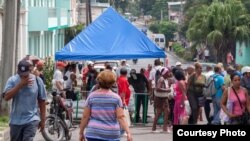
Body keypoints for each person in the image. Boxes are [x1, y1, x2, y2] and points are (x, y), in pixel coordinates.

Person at [79, 71, 132, 141]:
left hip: (94, 133)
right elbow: (121, 117)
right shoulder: (116, 98)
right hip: (111, 134)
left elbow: (85, 116)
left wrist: (81, 132)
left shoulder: (91, 96)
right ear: (113, 82)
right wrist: (128, 132)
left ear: (98, 81)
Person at [2, 60, 47, 141]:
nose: (23, 77)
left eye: (25, 74)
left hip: (31, 119)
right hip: (15, 121)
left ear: (30, 71)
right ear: (18, 71)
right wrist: (20, 85)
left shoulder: (37, 80)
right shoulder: (12, 80)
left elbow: (42, 101)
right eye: (21, 74)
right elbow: (6, 97)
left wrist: (43, 120)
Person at [152, 67, 172, 133]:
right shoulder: (161, 79)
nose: (169, 73)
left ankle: (164, 128)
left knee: (166, 111)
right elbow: (158, 88)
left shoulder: (166, 79)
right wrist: (167, 90)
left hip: (164, 98)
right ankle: (154, 128)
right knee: (159, 112)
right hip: (160, 98)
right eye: (168, 72)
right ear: (164, 73)